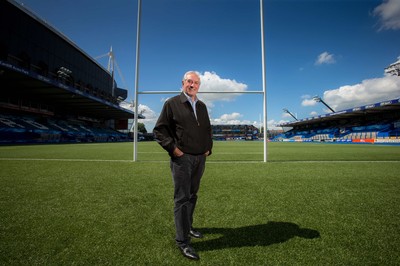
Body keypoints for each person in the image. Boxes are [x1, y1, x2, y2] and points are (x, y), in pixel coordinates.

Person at [153, 71, 213, 260]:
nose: (192, 85)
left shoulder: (202, 106)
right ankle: (183, 241)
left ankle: (189, 227)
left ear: (199, 85)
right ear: (183, 83)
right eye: (189, 81)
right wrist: (174, 149)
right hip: (182, 159)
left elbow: (208, 129)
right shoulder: (172, 104)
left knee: (193, 195)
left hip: (199, 159)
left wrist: (208, 149)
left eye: (196, 82)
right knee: (182, 198)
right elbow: (159, 130)